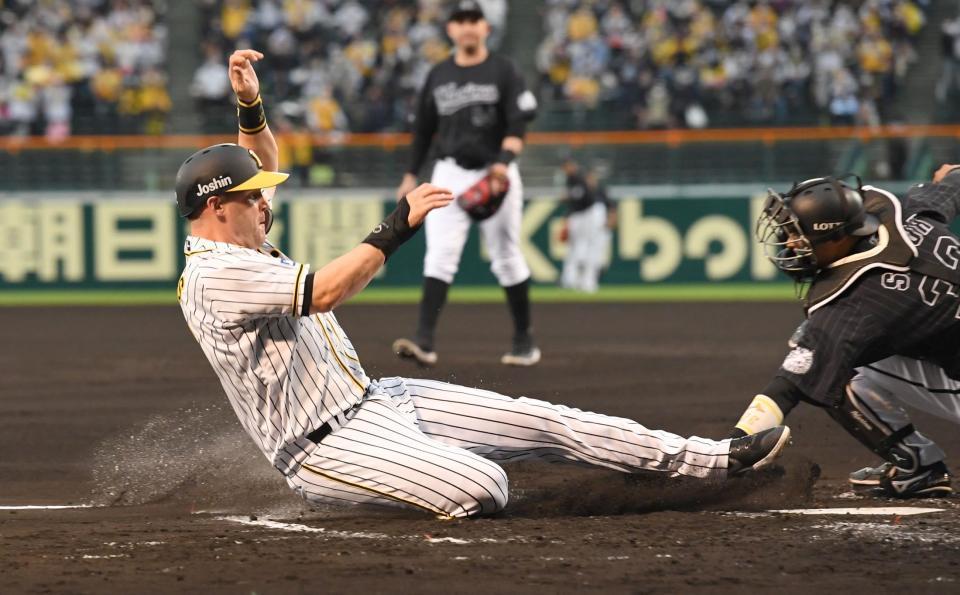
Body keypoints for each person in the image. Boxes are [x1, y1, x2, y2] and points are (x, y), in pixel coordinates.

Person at [174, 48, 791, 519]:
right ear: (217, 206)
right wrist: (398, 224)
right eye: (251, 198)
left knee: (547, 421)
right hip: (321, 449)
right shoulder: (213, 273)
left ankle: (713, 459)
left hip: (378, 399)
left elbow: (265, 163)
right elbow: (327, 291)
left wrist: (251, 109)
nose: (265, 203)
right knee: (482, 485)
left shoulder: (240, 234)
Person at [728, 171, 960, 498]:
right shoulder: (911, 217)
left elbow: (788, 386)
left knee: (834, 363)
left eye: (799, 234)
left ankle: (916, 466)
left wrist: (732, 446)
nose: (791, 243)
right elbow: (953, 183)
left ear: (837, 238)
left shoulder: (860, 302)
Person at [392, 0, 541, 367]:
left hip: (495, 171)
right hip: (450, 172)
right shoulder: (439, 74)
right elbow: (424, 130)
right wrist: (411, 174)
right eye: (460, 21)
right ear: (451, 30)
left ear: (485, 28)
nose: (468, 27)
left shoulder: (504, 70)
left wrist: (504, 165)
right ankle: (424, 341)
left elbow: (517, 124)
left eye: (474, 20)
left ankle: (524, 340)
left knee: (506, 256)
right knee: (440, 255)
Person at [559, 158, 613, 293]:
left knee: (590, 250)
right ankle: (574, 280)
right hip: (582, 218)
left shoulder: (598, 191)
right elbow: (575, 204)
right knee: (580, 249)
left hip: (590, 218)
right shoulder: (573, 181)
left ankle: (586, 282)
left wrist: (611, 220)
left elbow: (611, 206)